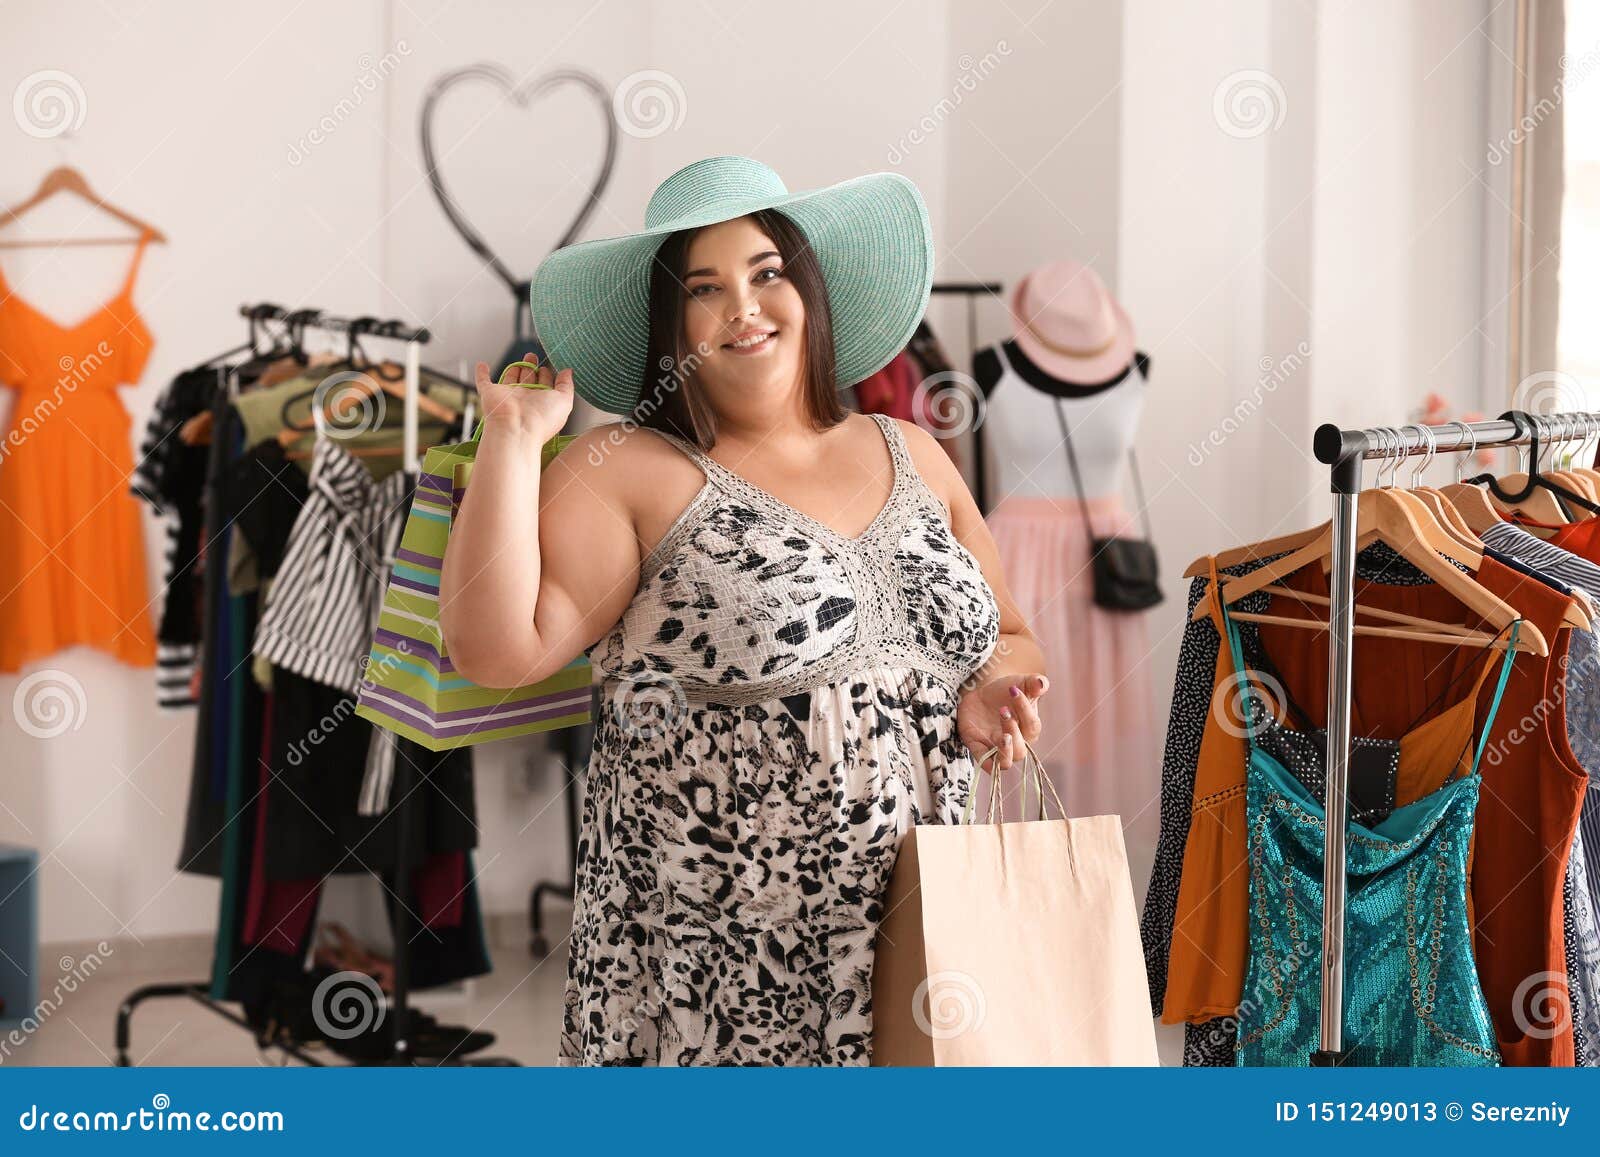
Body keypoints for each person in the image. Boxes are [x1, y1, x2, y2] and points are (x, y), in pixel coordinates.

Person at [439, 155, 1049, 1065]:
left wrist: (990, 688)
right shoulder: (630, 468)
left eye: (767, 273)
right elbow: (495, 650)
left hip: (926, 924)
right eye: (704, 288)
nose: (744, 307)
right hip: (724, 966)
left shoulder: (912, 448)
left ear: (808, 291)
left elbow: (1004, 630)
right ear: (669, 322)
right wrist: (514, 443)